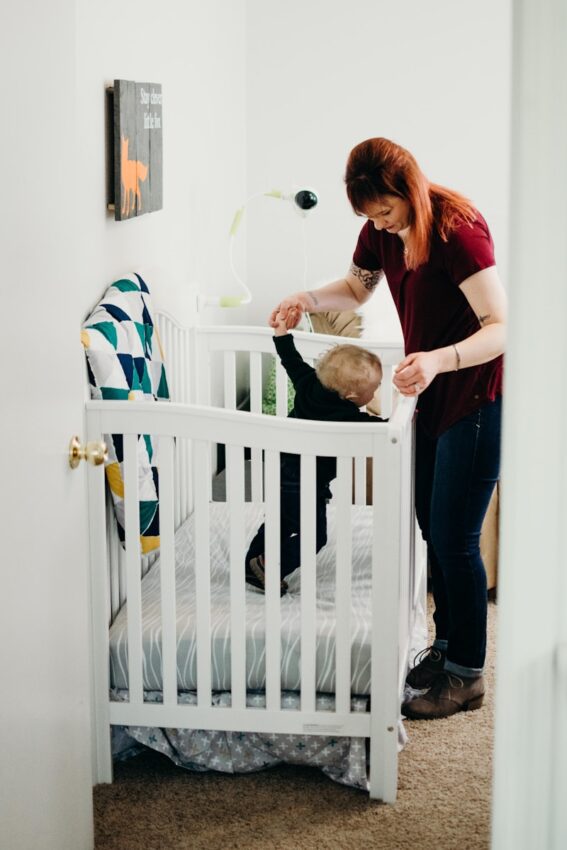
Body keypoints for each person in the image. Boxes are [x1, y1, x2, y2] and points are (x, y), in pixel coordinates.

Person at [270, 137, 506, 719]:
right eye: (370, 215)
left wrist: (438, 360)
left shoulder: (458, 231)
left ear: (409, 190)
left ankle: (467, 674)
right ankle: (447, 646)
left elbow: (501, 326)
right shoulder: (379, 233)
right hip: (429, 393)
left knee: (456, 537)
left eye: (385, 210)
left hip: (475, 395)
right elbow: (357, 289)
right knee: (432, 525)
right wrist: (306, 298)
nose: (379, 223)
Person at [245, 312, 384, 595]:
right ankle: (270, 565)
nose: (375, 394)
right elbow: (380, 428)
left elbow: (290, 359)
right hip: (307, 481)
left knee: (281, 521)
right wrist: (405, 422)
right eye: (374, 390)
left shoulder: (308, 381)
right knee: (314, 537)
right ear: (352, 397)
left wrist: (281, 334)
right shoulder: (346, 416)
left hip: (282, 467)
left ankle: (252, 563)